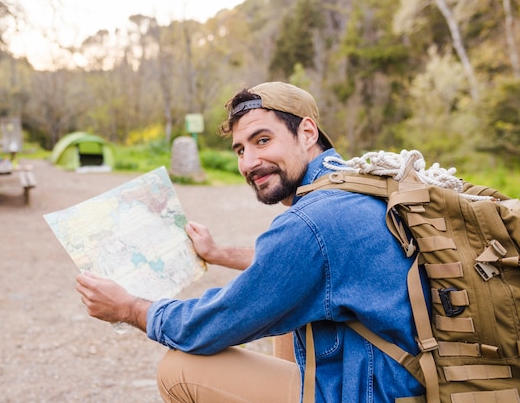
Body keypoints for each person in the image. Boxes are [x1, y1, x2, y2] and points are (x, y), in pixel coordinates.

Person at [76, 81, 426, 402]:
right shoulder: (359, 186)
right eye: (240, 150)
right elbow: (308, 265)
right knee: (292, 316)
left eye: (262, 141)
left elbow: (214, 324)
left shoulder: (312, 221)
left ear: (306, 132)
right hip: (410, 380)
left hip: (376, 393)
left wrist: (130, 309)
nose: (249, 163)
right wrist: (218, 254)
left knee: (179, 369)